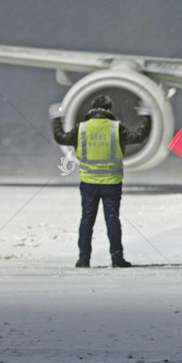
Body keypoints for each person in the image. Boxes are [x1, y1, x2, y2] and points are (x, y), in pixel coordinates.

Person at [50, 95, 152, 268]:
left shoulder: (81, 128)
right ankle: (117, 258)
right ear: (108, 110)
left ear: (93, 108)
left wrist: (56, 119)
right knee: (112, 219)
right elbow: (139, 136)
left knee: (87, 220)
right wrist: (146, 116)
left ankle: (83, 259)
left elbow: (61, 138)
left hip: (89, 182)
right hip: (111, 183)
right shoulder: (116, 128)